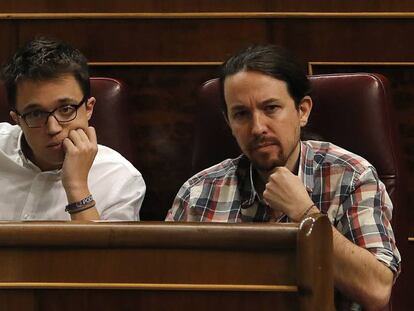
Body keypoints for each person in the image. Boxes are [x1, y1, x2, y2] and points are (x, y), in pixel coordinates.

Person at [166, 45, 400, 310]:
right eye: (241, 114)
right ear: (228, 122)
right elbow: (163, 290)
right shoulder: (198, 193)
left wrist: (307, 213)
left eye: (271, 108)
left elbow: (377, 291)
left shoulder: (351, 176)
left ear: (302, 111)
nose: (257, 128)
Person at [0, 37, 145, 221]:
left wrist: (77, 187)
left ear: (89, 108)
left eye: (66, 109)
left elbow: (101, 251)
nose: (53, 128)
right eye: (36, 113)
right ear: (17, 119)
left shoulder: (120, 179)